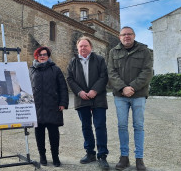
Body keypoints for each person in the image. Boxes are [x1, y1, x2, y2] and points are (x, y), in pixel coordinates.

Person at [108, 26, 153, 171]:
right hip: (120, 95)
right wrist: (123, 88)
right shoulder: (113, 52)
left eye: (129, 34)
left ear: (134, 36)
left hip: (138, 95)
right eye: (123, 34)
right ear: (119, 37)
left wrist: (132, 87)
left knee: (138, 126)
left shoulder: (144, 51)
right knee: (122, 126)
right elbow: (111, 72)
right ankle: (124, 157)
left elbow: (147, 71)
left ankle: (139, 159)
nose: (126, 36)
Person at [66, 36, 109, 170]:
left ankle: (102, 155)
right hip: (82, 98)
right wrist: (79, 92)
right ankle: (90, 153)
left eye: (85, 45)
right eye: (81, 46)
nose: (83, 48)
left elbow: (104, 76)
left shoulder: (99, 60)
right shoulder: (73, 62)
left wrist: (95, 90)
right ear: (77, 48)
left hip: (98, 97)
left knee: (100, 125)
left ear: (91, 47)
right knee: (86, 126)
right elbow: (70, 79)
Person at [29, 46, 69, 167]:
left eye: (45, 54)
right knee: (39, 133)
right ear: (37, 56)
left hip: (52, 106)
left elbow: (63, 87)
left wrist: (63, 103)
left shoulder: (55, 69)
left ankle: (55, 157)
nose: (42, 56)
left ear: (48, 56)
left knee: (54, 134)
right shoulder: (31, 70)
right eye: (40, 54)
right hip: (37, 107)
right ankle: (42, 156)